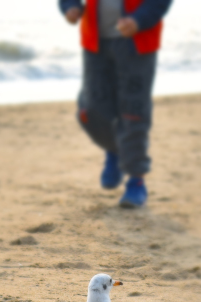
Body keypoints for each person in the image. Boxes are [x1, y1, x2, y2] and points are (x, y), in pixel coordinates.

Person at [59, 0, 174, 208]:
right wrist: (69, 7)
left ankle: (136, 180)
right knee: (91, 109)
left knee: (133, 113)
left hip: (137, 40)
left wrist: (138, 20)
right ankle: (114, 149)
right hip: (95, 42)